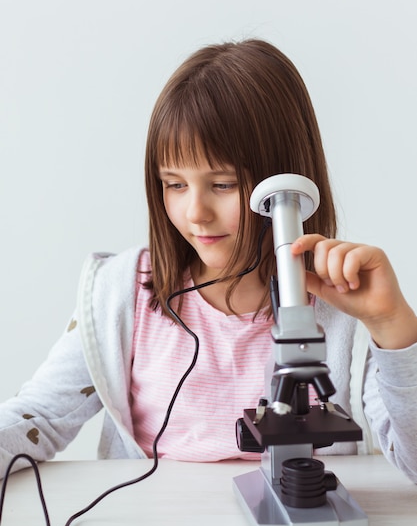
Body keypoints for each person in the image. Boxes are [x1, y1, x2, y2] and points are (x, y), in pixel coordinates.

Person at [1, 38, 417, 483]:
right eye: (174, 184)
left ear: (288, 184)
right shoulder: (118, 295)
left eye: (222, 184)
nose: (195, 213)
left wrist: (393, 327)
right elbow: (36, 419)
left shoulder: (344, 311)